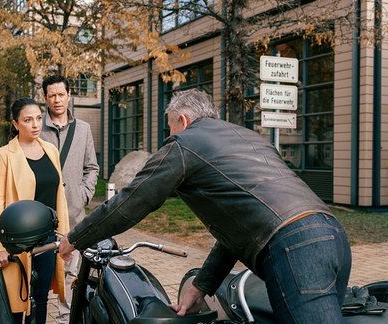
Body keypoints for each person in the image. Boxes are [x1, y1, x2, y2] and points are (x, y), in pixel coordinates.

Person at [59, 89, 352, 323]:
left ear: (183, 121)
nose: (169, 136)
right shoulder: (250, 139)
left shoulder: (185, 144)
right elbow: (237, 231)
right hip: (332, 236)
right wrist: (201, 287)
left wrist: (75, 238)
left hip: (295, 248)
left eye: (171, 127)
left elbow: (131, 202)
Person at [0, 97, 70, 324]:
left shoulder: (51, 150)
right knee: (16, 299)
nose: (35, 124)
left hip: (48, 238)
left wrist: (65, 238)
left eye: (38, 118)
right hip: (17, 238)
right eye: (27, 120)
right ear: (15, 124)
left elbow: (59, 198)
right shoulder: (3, 155)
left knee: (41, 298)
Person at [39, 75, 99, 324]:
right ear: (45, 98)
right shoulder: (35, 127)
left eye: (61, 94)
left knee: (70, 271)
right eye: (51, 95)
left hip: (74, 213)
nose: (57, 99)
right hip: (41, 213)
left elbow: (92, 167)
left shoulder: (83, 129)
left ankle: (66, 320)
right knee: (40, 272)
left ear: (69, 95)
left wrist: (84, 194)